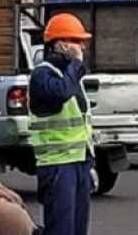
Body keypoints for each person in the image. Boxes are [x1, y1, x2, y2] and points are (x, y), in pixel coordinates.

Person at [28, 13, 94, 235]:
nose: (82, 47)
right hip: (57, 167)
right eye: (76, 41)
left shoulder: (70, 77)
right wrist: (75, 64)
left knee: (77, 229)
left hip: (79, 164)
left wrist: (89, 162)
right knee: (61, 230)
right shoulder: (42, 76)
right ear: (60, 44)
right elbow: (60, 93)